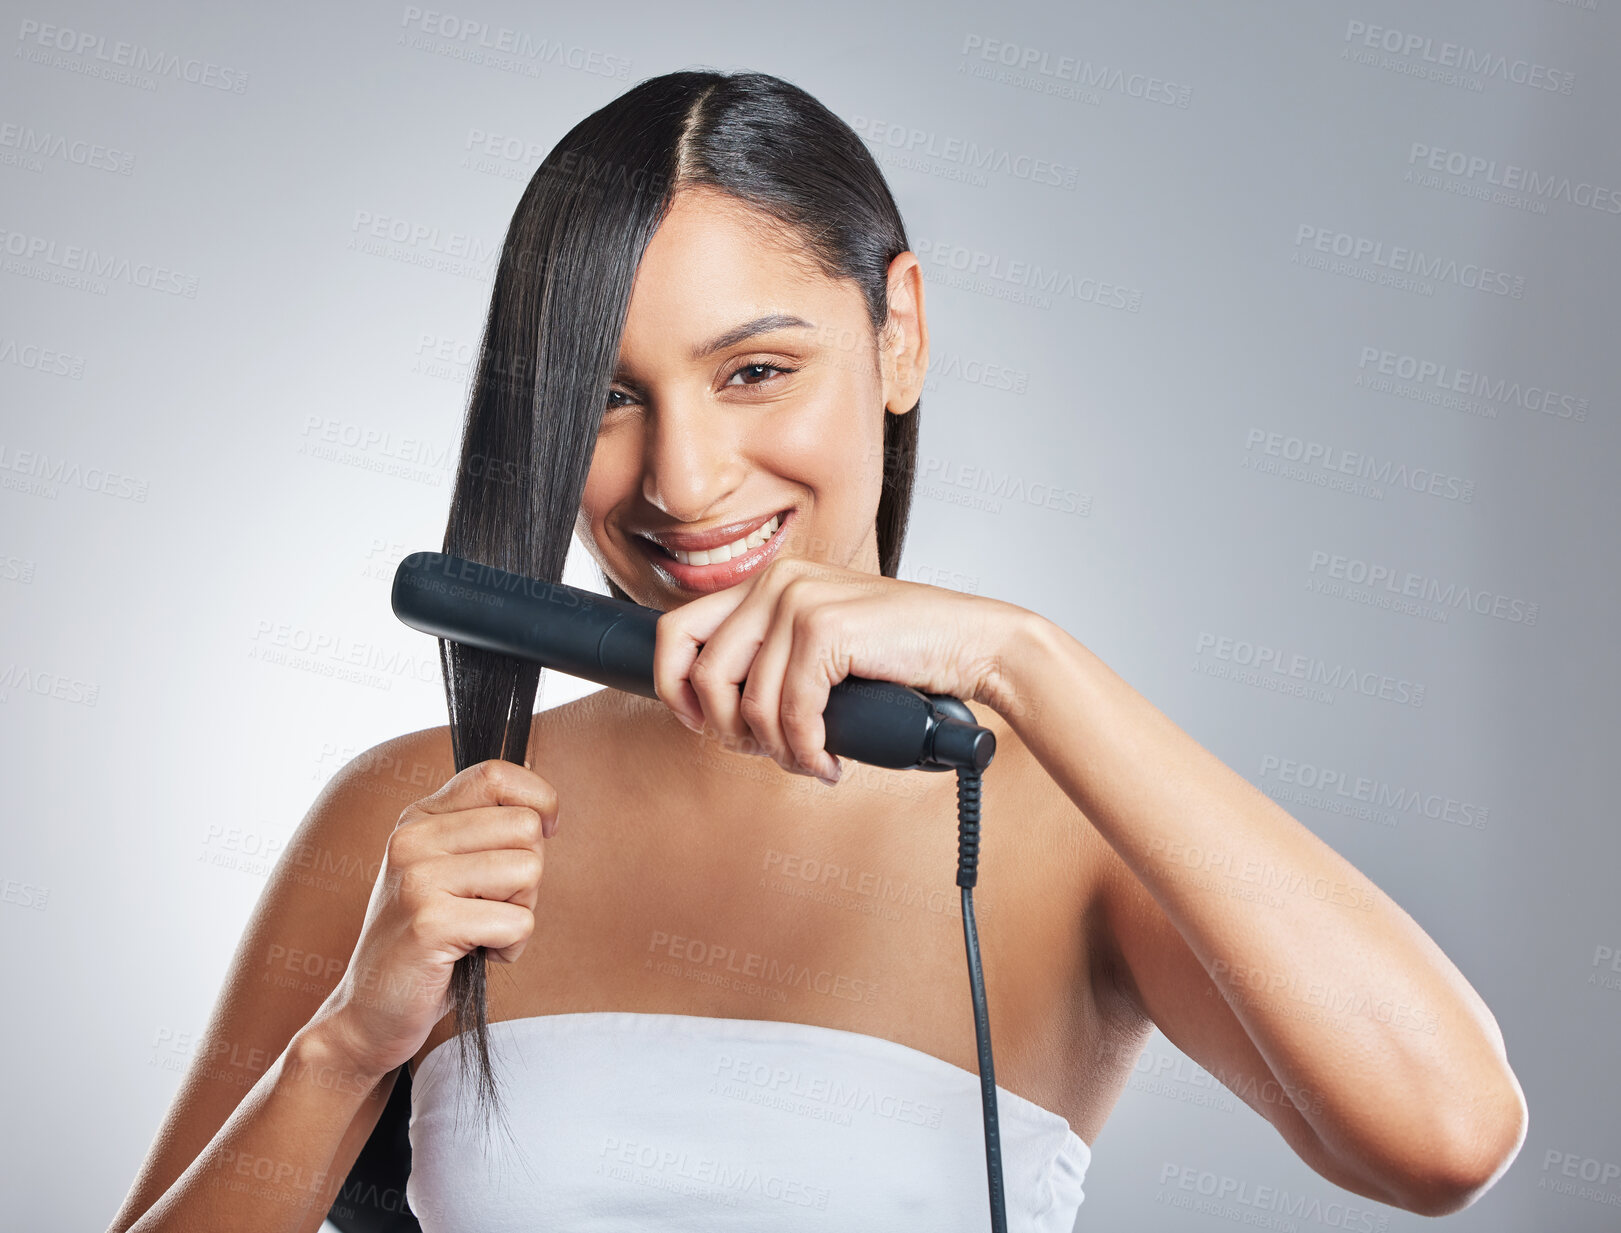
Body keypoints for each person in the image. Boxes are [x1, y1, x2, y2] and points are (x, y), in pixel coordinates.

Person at [108, 69, 1527, 1233]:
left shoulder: (1067, 822)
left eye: (755, 372)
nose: (684, 479)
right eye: (606, 396)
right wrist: (351, 1043)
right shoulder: (416, 812)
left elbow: (1444, 1136)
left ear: (896, 333)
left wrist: (1027, 660)